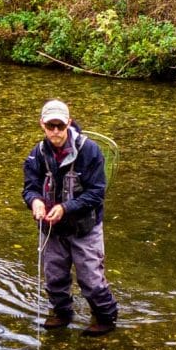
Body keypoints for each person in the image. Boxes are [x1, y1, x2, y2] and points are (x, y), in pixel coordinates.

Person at [21, 97, 116, 332]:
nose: (55, 131)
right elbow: (30, 188)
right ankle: (62, 314)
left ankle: (106, 319)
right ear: (42, 124)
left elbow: (96, 194)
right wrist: (35, 203)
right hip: (52, 230)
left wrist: (65, 208)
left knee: (92, 282)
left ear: (69, 123)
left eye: (60, 126)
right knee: (54, 279)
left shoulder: (90, 151)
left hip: (85, 228)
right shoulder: (37, 153)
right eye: (50, 126)